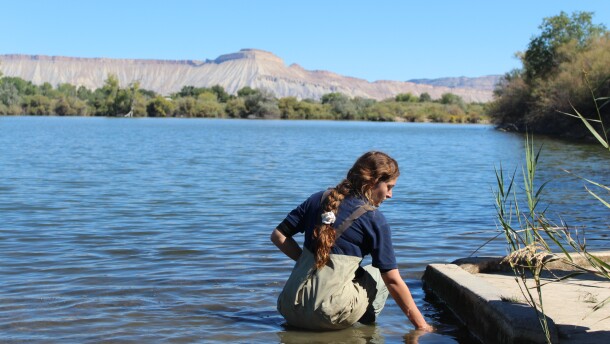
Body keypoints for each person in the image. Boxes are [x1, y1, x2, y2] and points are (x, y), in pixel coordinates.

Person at [271, 151, 433, 331]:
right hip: (328, 315)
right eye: (389, 186)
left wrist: (310, 262)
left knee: (357, 274)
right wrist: (422, 326)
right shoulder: (374, 219)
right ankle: (365, 328)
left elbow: (278, 236)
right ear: (373, 182)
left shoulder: (319, 198)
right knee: (380, 274)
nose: (390, 195)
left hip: (289, 307)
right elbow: (393, 281)